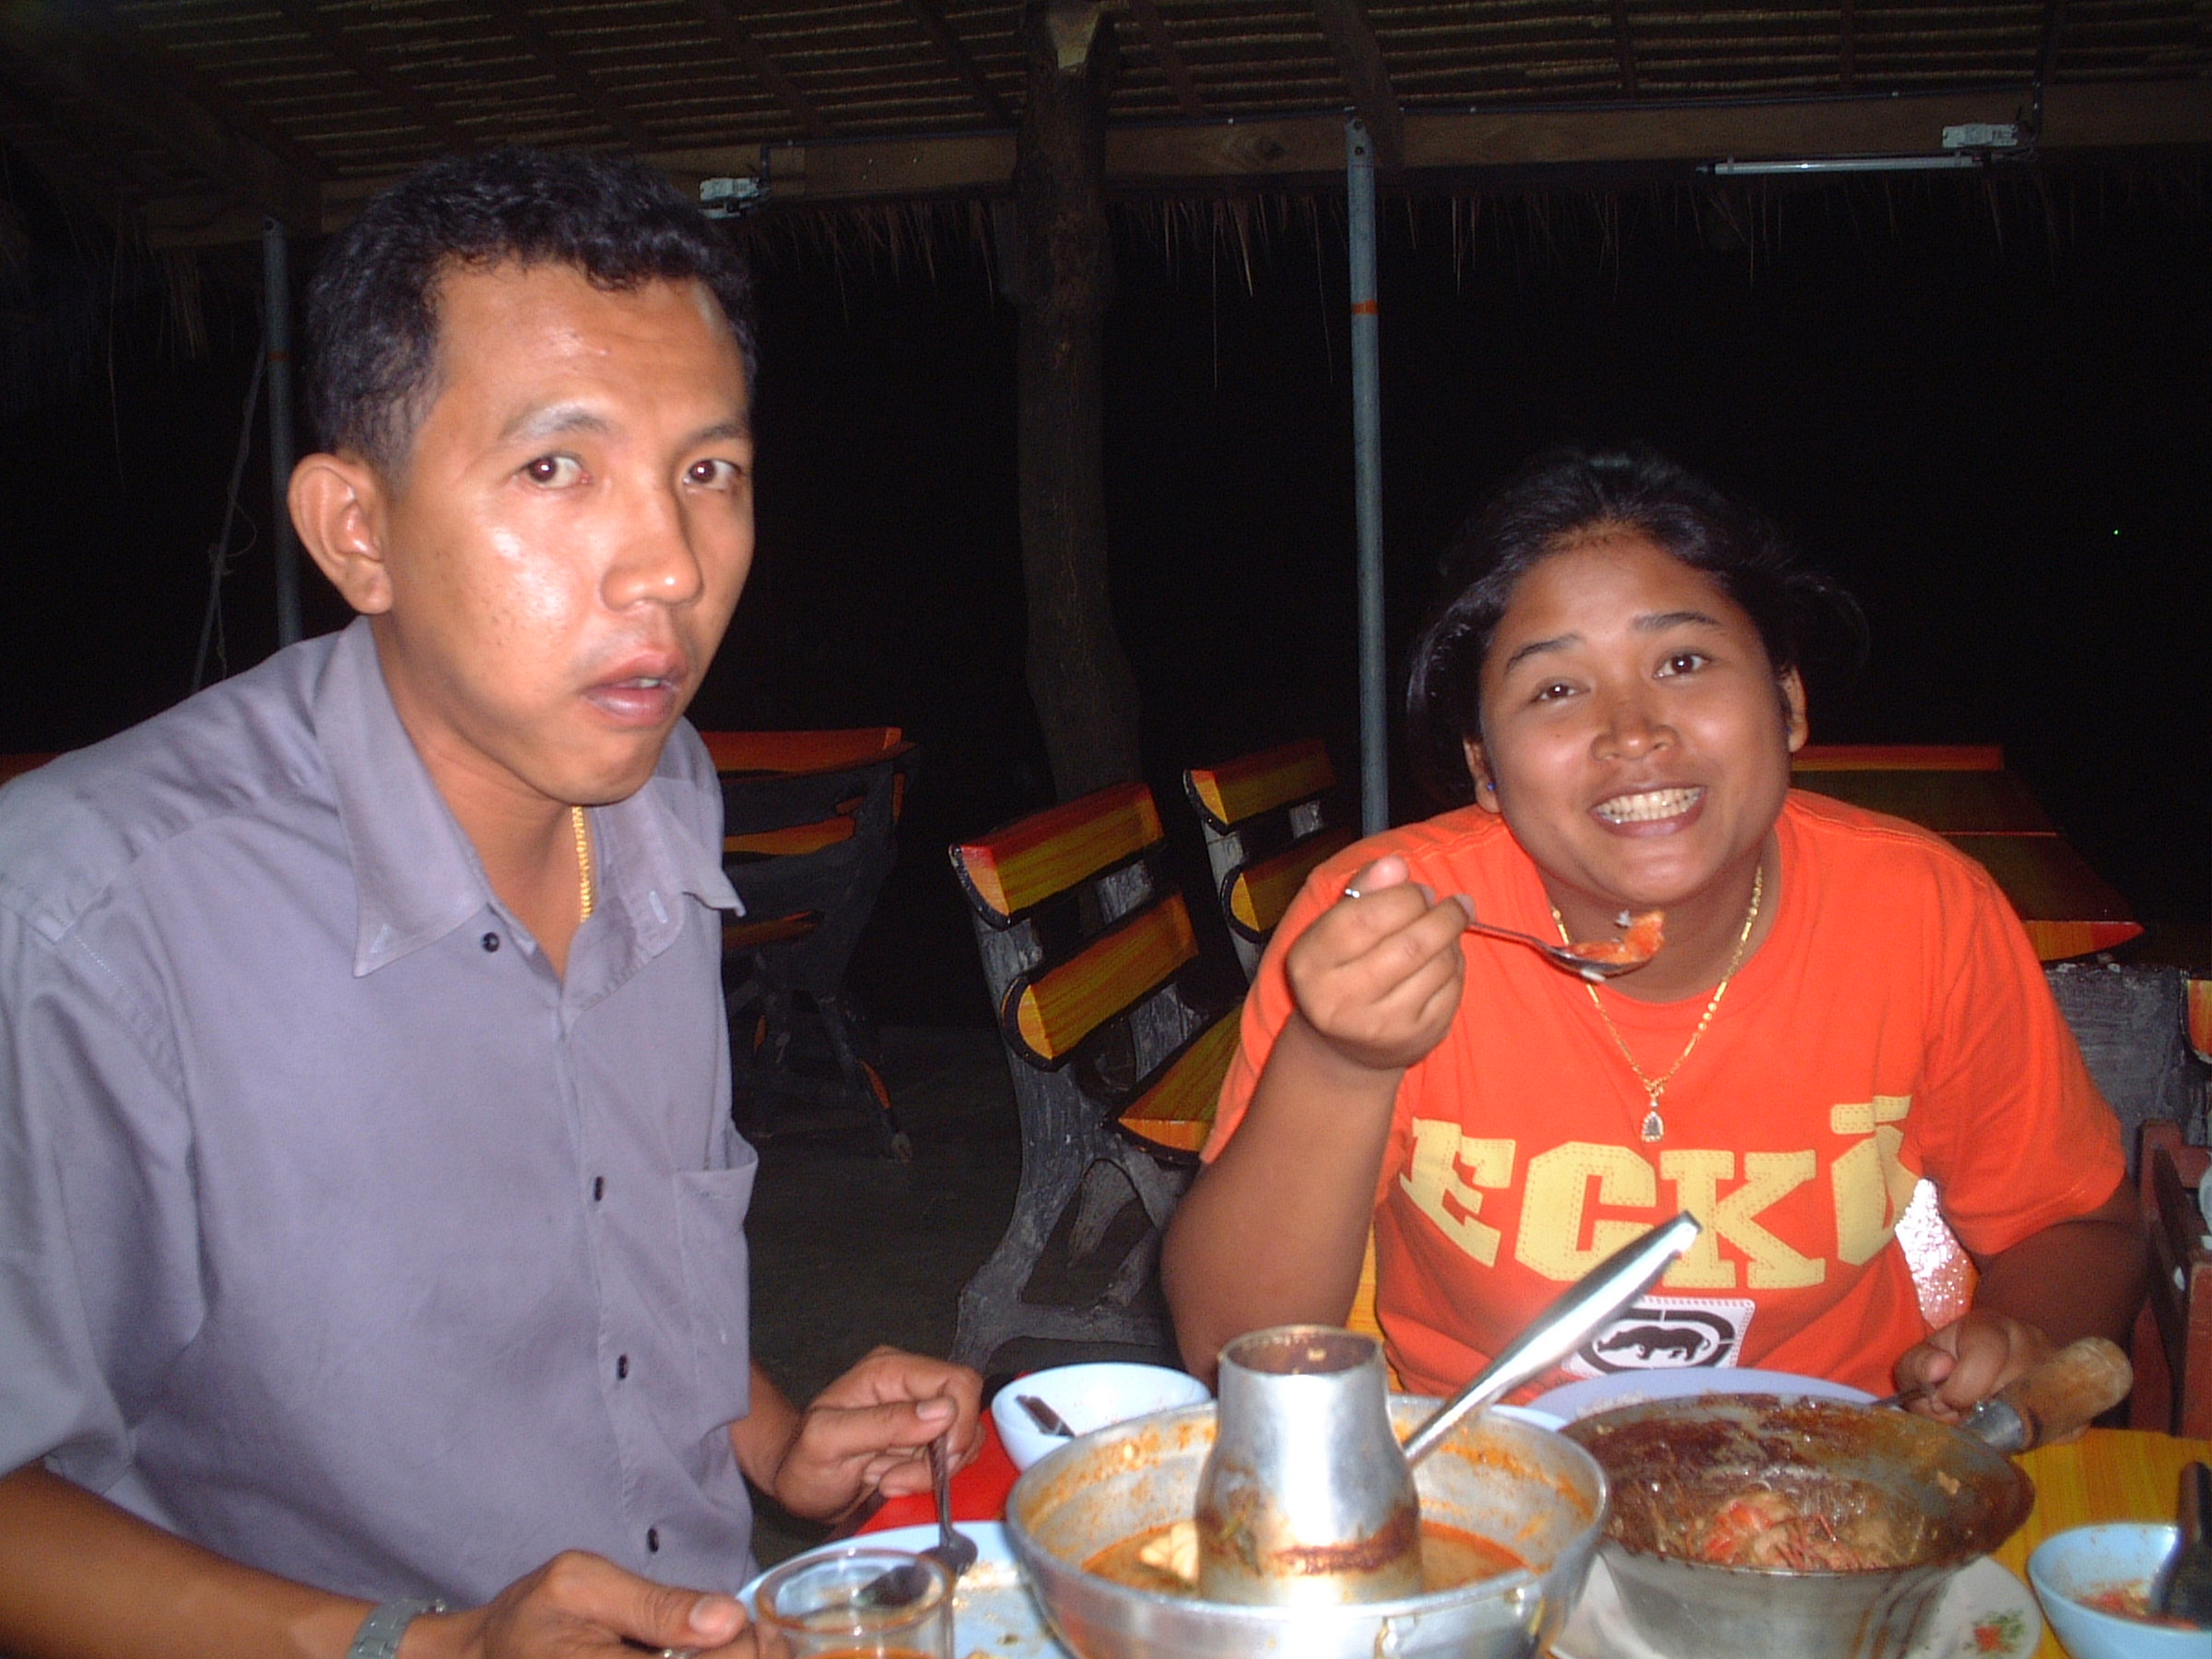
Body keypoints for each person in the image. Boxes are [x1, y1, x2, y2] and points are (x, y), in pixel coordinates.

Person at [0, 148, 980, 1659]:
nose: (670, 569)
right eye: (555, 468)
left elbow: (631, 1237)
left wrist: (773, 1441)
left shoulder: (662, 793)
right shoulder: (87, 916)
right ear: (358, 531)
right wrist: (420, 1648)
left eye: (706, 472)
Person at [1161, 444, 2145, 1420]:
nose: (1633, 732)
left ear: (1788, 702)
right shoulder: (1379, 925)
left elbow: (2078, 1225)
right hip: (1498, 1473)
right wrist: (1340, 1063)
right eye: (1556, 689)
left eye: (1683, 662)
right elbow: (1233, 1347)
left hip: (1842, 1464)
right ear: (1486, 767)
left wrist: (2023, 1338)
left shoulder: (1922, 913)